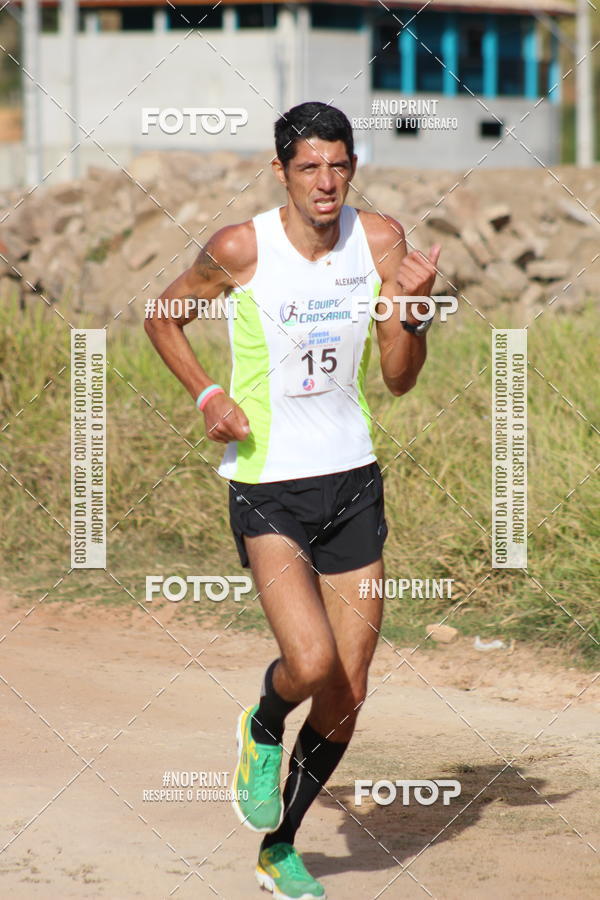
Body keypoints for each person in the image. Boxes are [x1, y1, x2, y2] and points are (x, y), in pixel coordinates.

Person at [144, 101, 440, 900]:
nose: (327, 183)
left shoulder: (379, 242)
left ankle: (280, 846)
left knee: (349, 686)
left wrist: (410, 311)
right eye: (309, 167)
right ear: (281, 170)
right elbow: (161, 315)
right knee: (308, 664)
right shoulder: (241, 246)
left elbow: (400, 376)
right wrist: (208, 395)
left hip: (353, 480)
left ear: (353, 167)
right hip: (268, 484)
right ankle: (264, 723)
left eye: (339, 166)